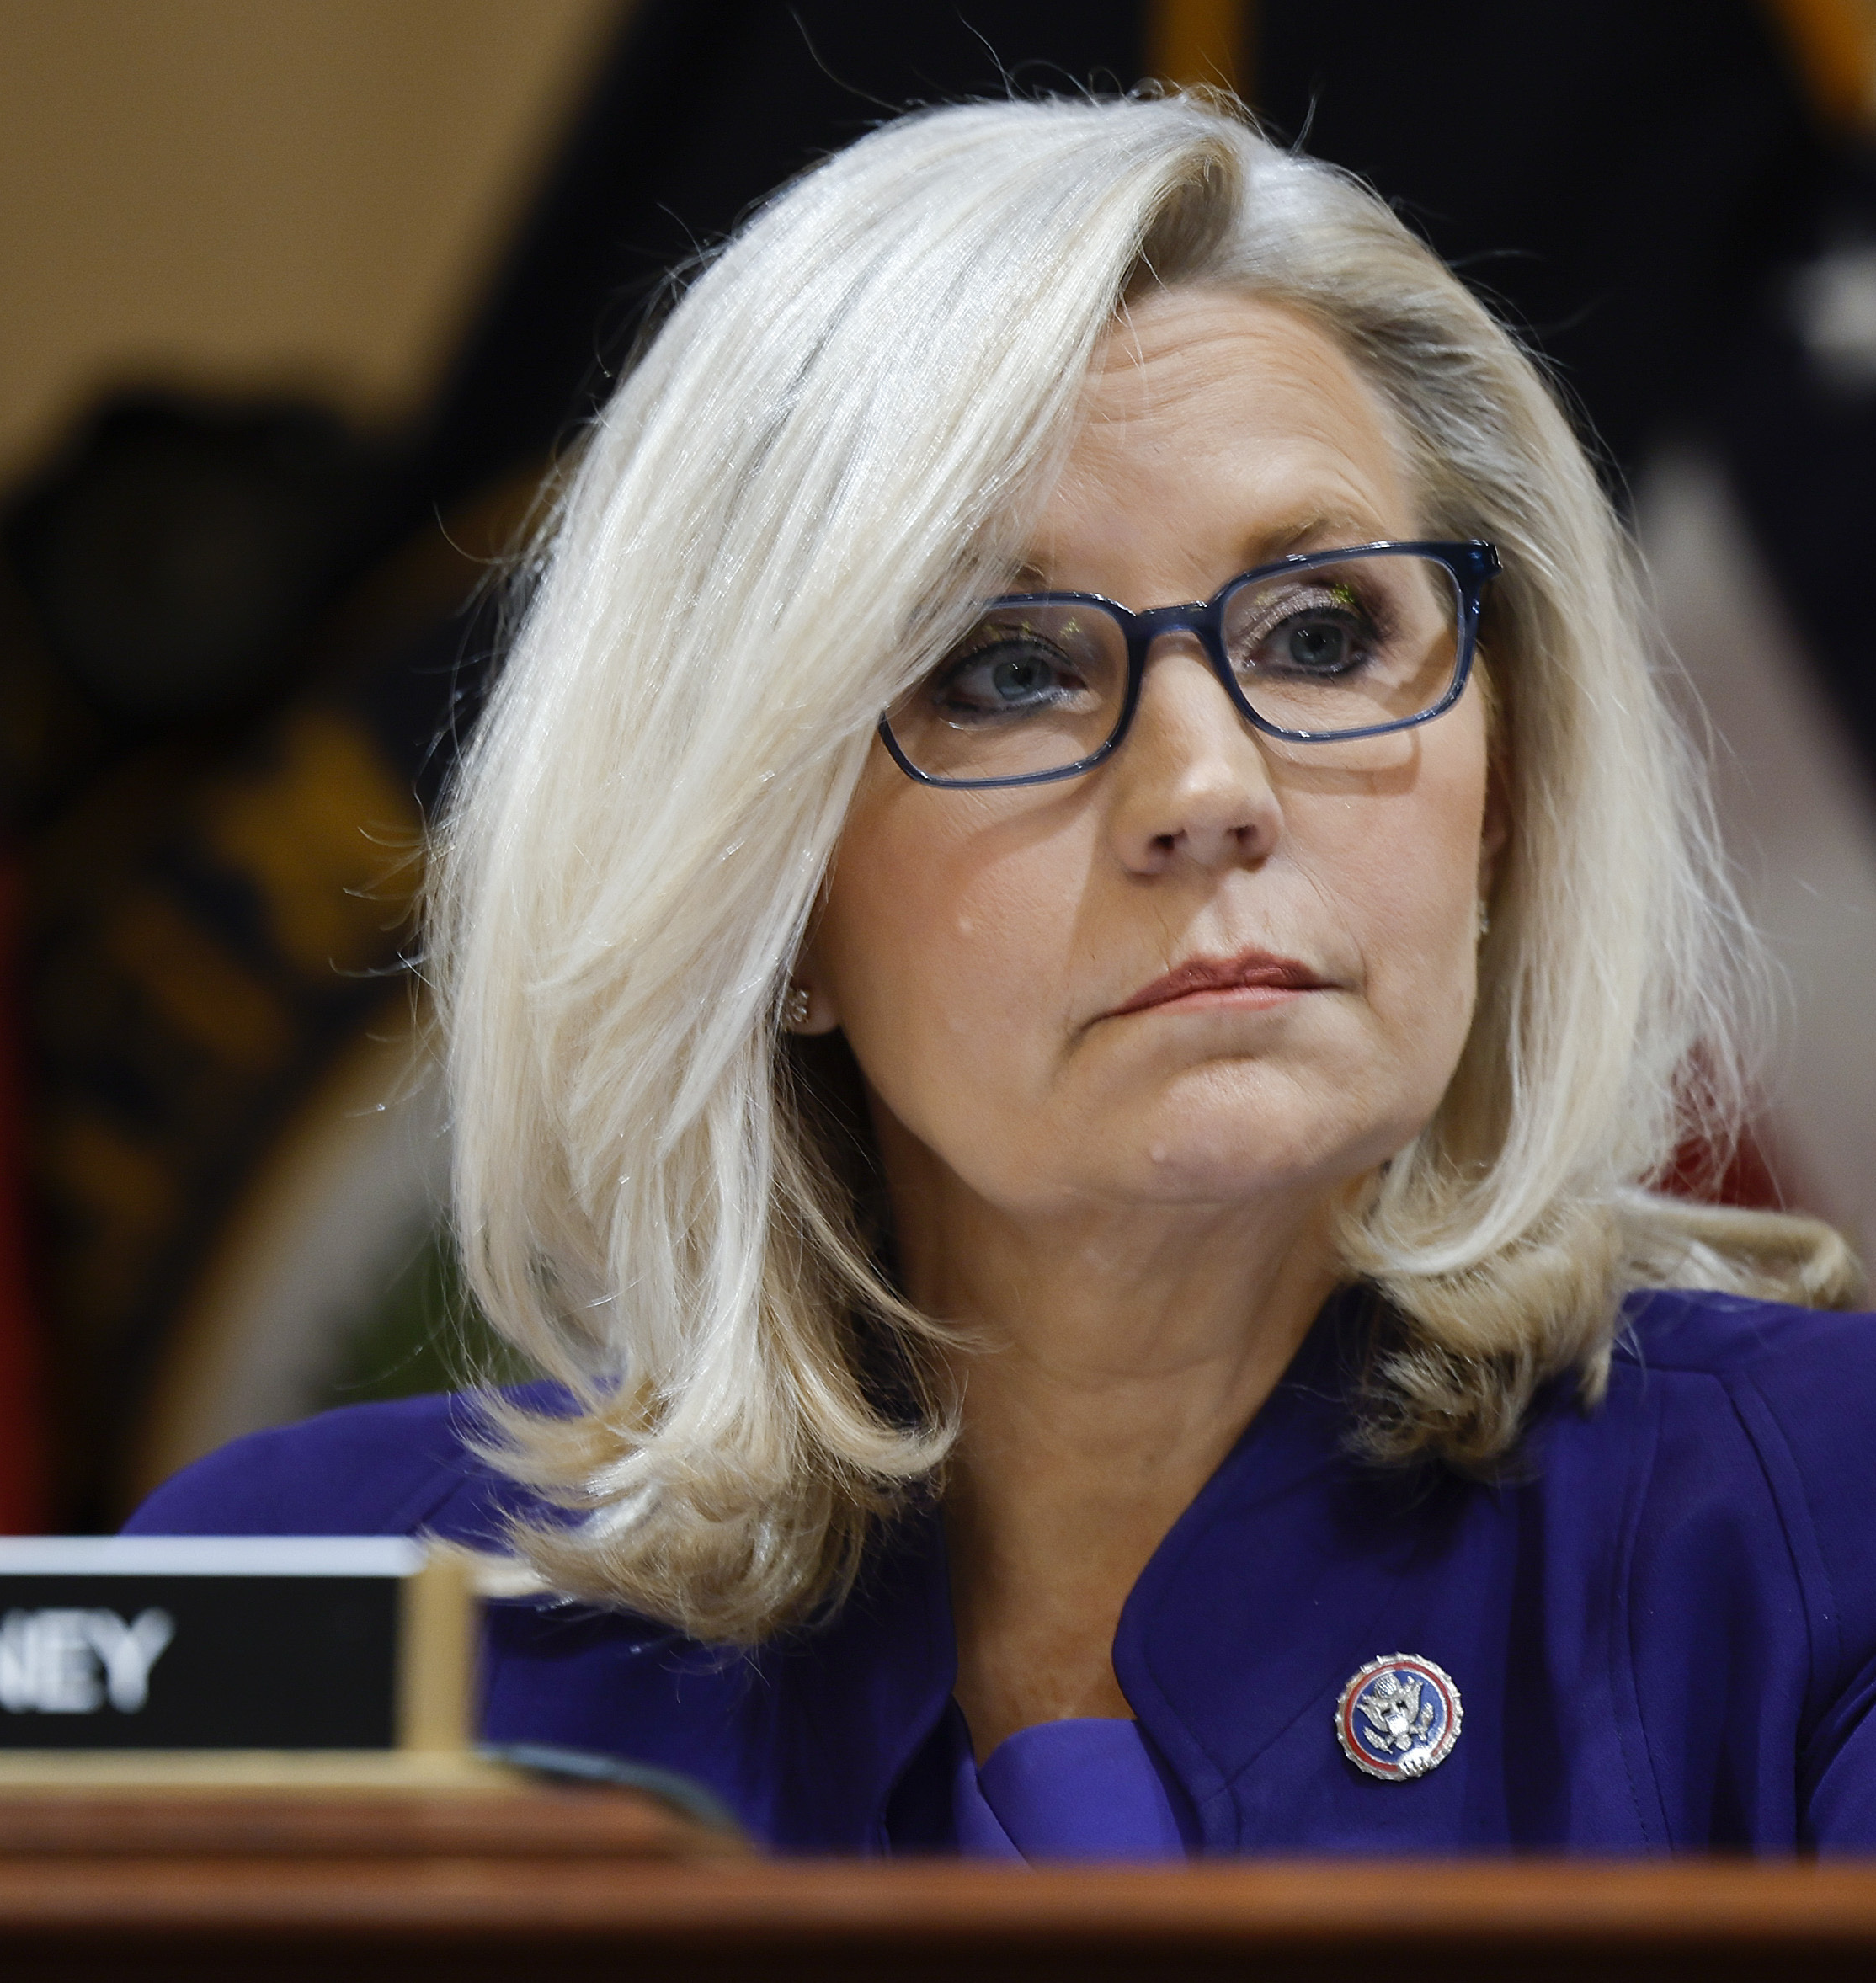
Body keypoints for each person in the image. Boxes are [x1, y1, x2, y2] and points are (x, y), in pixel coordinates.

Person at [127, 93, 1876, 1857]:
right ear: (766, 889)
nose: (1204, 788)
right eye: (1007, 669)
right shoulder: (328, 1601)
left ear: (1499, 790)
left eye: (1327, 635)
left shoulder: (1822, 1519)